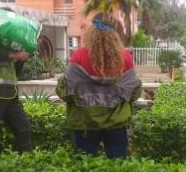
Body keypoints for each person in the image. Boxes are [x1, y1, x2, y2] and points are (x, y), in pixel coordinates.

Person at [58, 17, 140, 158]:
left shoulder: (79, 56)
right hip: (115, 123)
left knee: (86, 169)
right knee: (118, 168)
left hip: (84, 123)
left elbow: (65, 92)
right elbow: (134, 92)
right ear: (115, 35)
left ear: (92, 33)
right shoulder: (125, 58)